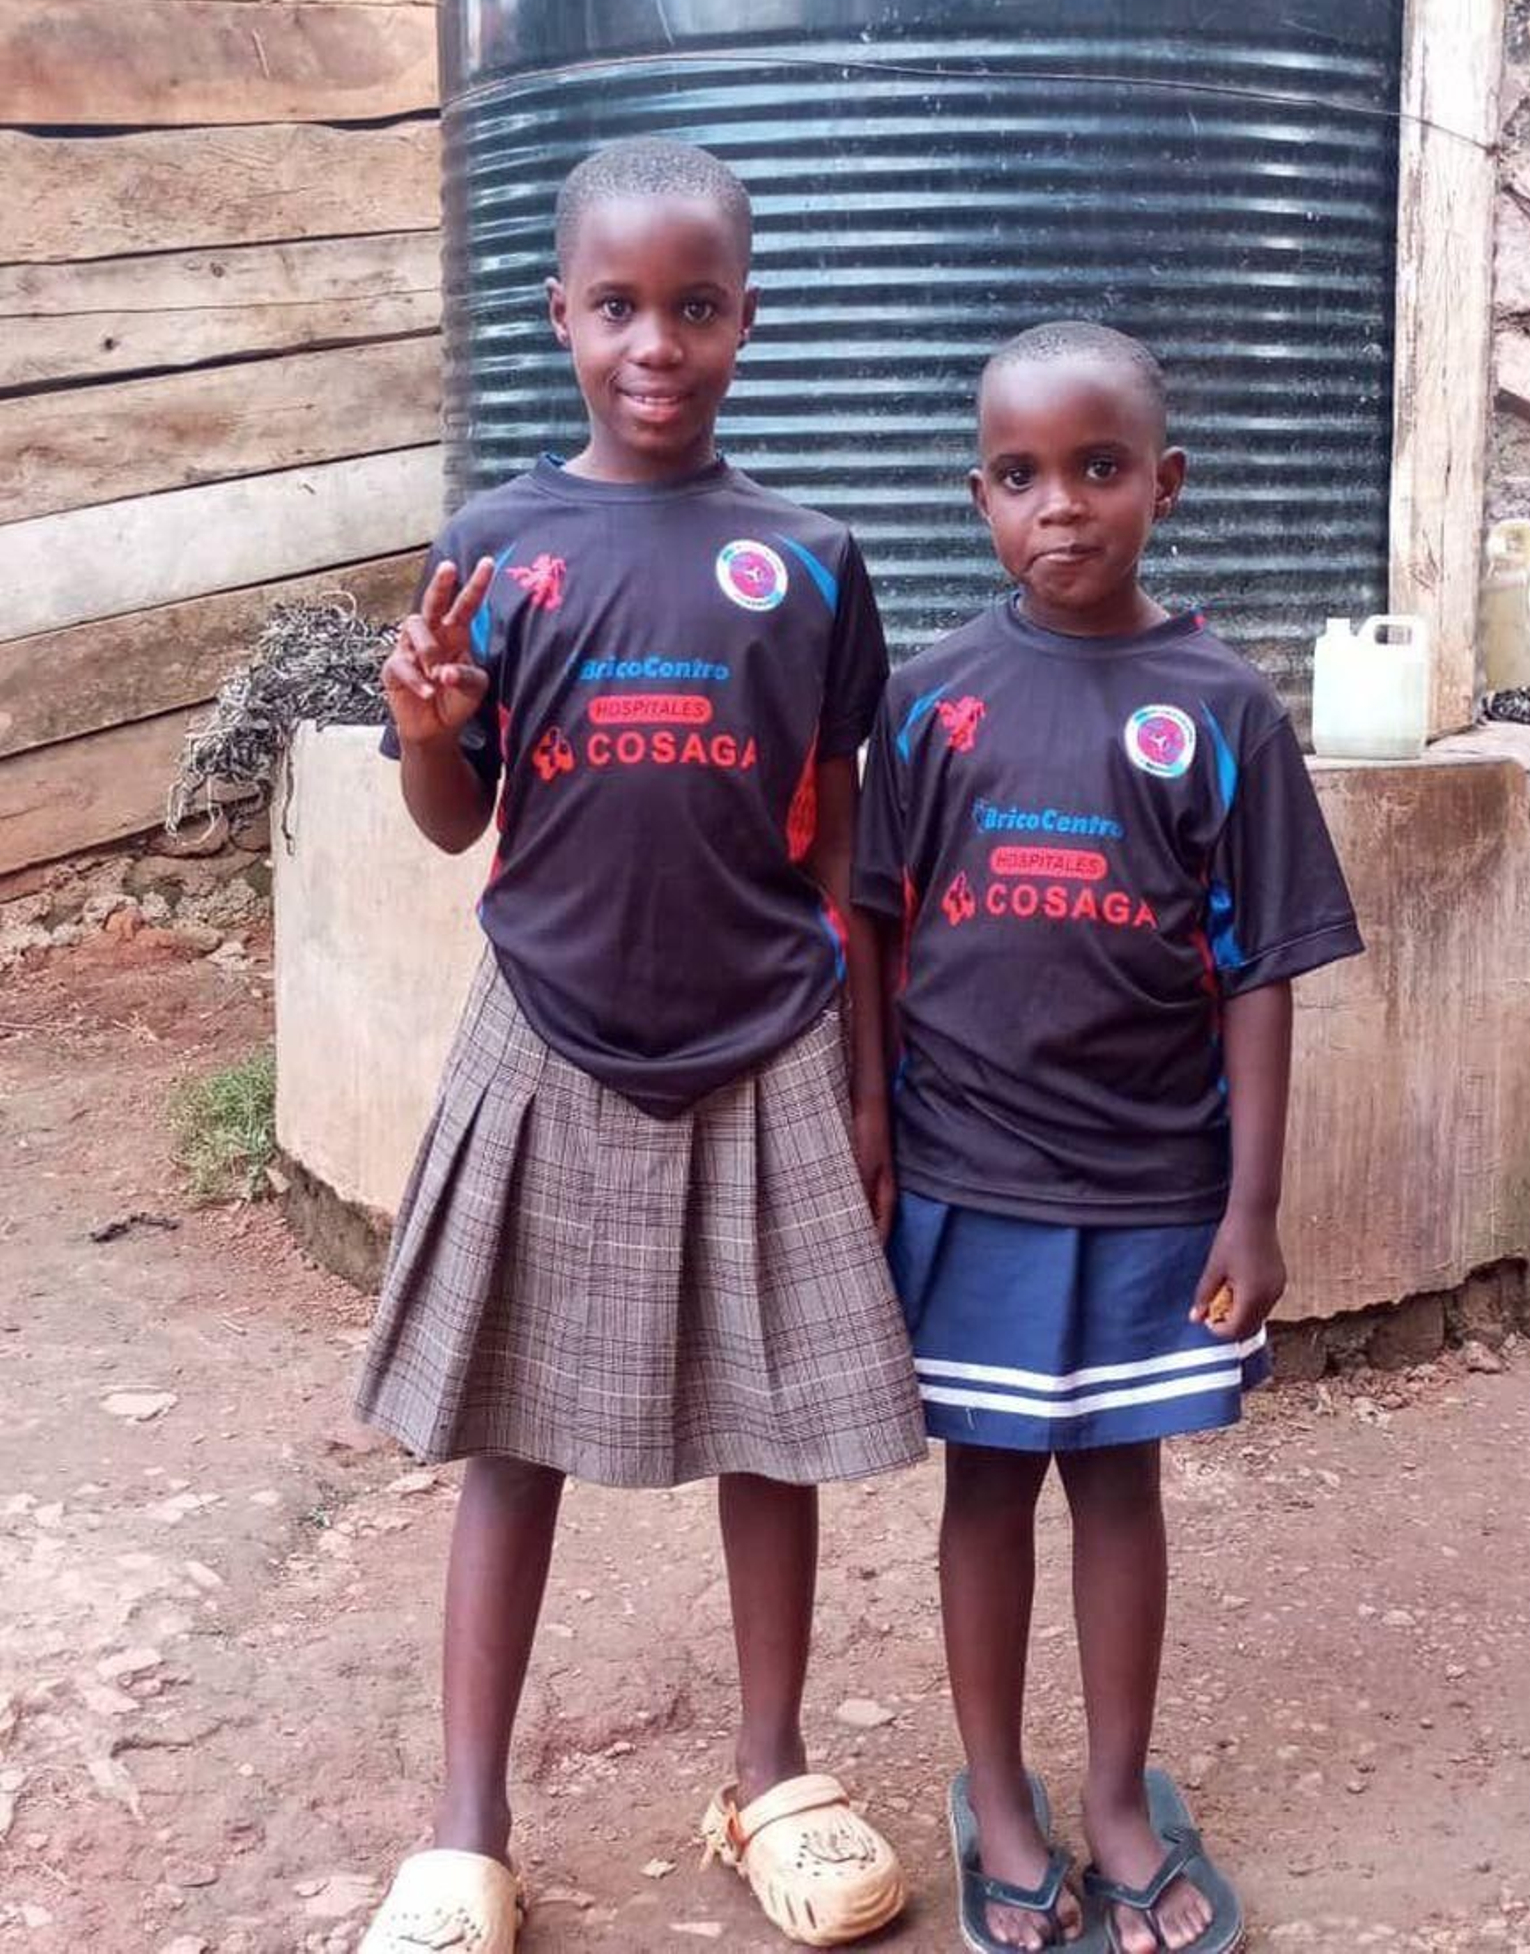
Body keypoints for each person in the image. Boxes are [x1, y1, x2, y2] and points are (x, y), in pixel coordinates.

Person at [354, 137, 925, 1954]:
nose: (653, 344)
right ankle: (466, 1828)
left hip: (763, 1033)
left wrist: (862, 1069)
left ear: (747, 321)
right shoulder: (495, 551)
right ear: (560, 318)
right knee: (510, 1438)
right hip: (545, 1030)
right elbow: (454, 825)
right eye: (616, 307)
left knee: (769, 1427)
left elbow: (839, 831)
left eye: (692, 307)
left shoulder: (811, 563)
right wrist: (430, 728)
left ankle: (773, 1776)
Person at [854, 322, 1364, 1954]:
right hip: (970, 1183)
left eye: (1097, 469)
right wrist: (873, 1128)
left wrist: (1252, 1207)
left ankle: (1124, 1794)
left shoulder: (1225, 708)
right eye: (1019, 476)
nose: (1060, 507)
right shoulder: (928, 704)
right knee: (987, 1488)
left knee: (1121, 1486)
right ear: (978, 496)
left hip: (1154, 1192)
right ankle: (999, 1795)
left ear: (1165, 482)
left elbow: (1264, 969)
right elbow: (868, 933)